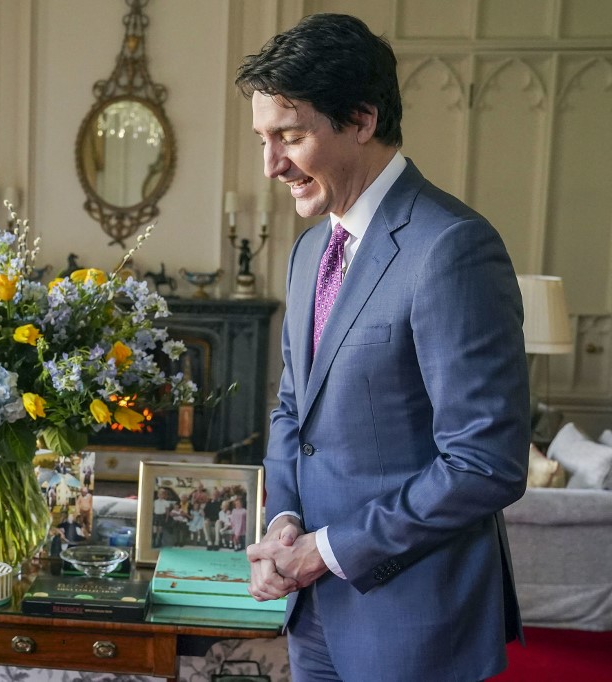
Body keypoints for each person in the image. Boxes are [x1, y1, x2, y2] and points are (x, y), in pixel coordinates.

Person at [236, 14, 530, 682]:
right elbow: (291, 412)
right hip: (313, 616)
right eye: (263, 139)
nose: (272, 164)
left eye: (290, 136)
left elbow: (486, 462)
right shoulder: (311, 250)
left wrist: (328, 550)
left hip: (416, 624)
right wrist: (285, 523)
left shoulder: (452, 247)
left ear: (361, 120)